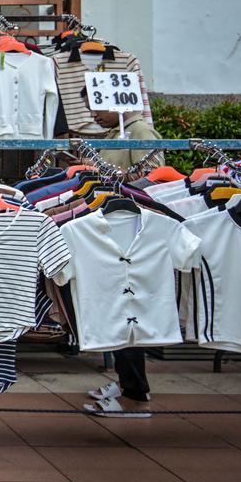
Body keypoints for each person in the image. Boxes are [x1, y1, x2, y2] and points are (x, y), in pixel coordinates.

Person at [82, 87, 162, 416]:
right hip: (114, 230)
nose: (93, 115)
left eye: (96, 107)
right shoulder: (115, 134)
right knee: (120, 311)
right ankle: (128, 383)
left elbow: (154, 179)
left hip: (131, 234)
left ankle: (134, 392)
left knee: (127, 311)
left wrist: (119, 179)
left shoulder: (140, 132)